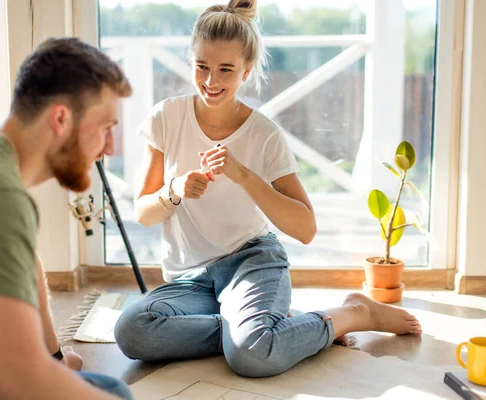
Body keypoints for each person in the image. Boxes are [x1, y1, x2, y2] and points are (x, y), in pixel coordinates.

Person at [114, 0, 422, 378]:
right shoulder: (167, 117)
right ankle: (259, 326)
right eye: (202, 67)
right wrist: (174, 189)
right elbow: (144, 213)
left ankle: (354, 313)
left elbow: (305, 229)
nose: (211, 81)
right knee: (132, 332)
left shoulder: (263, 134)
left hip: (251, 261)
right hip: (190, 280)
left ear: (246, 71)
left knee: (251, 357)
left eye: (226, 69)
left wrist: (244, 176)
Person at [0, 38, 133, 399]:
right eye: (105, 127)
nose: (110, 148)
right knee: (113, 394)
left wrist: (53, 357)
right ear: (60, 118)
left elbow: (22, 257)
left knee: (92, 386)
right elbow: (18, 384)